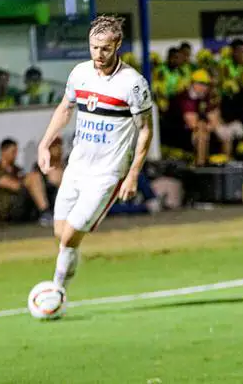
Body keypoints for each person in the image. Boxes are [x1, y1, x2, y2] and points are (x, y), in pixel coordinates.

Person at [37, 15, 153, 307]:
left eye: (104, 48)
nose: (98, 55)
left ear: (117, 45)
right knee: (59, 232)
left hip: (107, 174)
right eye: (93, 47)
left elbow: (146, 129)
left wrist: (132, 174)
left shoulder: (133, 84)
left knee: (69, 237)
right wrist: (45, 141)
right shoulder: (80, 73)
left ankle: (57, 292)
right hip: (76, 168)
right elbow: (65, 108)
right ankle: (63, 278)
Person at [0, 138, 52, 225]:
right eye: (13, 152)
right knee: (34, 178)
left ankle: (49, 213)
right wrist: (30, 182)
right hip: (6, 211)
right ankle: (45, 213)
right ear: (4, 151)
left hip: (20, 206)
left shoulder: (17, 169)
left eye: (16, 152)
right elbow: (14, 185)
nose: (16, 155)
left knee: (48, 186)